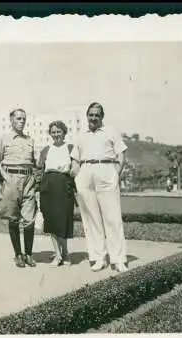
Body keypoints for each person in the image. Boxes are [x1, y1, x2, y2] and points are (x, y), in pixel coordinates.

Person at [70, 102, 129, 273]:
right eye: (91, 115)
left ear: (102, 117)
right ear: (87, 116)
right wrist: (75, 177)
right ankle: (98, 257)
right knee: (91, 219)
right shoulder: (81, 135)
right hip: (85, 172)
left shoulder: (111, 131)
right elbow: (75, 159)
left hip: (106, 169)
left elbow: (121, 153)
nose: (93, 118)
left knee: (112, 218)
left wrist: (116, 173)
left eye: (97, 115)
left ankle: (118, 260)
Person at [0, 108, 39, 268]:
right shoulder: (4, 139)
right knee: (13, 218)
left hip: (28, 179)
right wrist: (0, 181)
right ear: (11, 120)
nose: (22, 121)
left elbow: (35, 163)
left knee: (29, 219)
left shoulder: (30, 140)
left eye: (24, 119)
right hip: (11, 179)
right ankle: (18, 255)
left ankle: (29, 254)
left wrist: (35, 181)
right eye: (18, 119)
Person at [36, 121, 77, 267]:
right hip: (47, 187)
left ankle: (65, 253)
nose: (56, 134)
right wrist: (37, 190)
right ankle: (57, 255)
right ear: (50, 134)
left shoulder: (71, 148)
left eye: (59, 131)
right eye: (53, 132)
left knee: (63, 220)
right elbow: (39, 171)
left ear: (64, 132)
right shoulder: (46, 150)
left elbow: (76, 169)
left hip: (64, 186)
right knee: (51, 221)